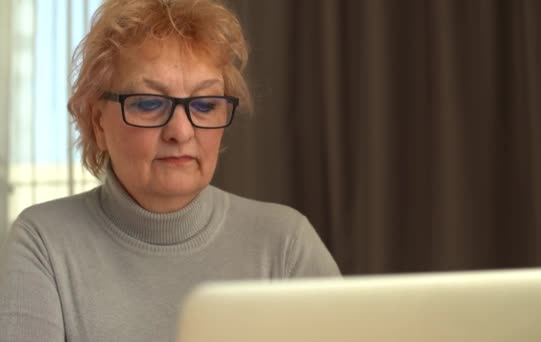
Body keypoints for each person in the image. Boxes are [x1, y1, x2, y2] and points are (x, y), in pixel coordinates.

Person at [0, 0, 340, 341]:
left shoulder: (286, 244)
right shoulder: (43, 241)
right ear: (97, 122)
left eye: (205, 105)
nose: (181, 131)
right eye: (149, 103)